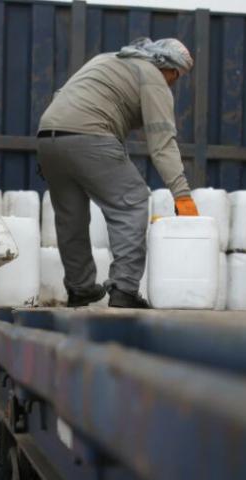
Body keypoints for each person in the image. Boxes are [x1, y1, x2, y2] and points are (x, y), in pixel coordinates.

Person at [37, 37, 198, 309]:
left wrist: (55, 151)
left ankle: (80, 289)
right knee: (132, 201)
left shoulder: (108, 60)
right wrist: (182, 194)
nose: (174, 82)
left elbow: (61, 96)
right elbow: (162, 142)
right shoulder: (152, 76)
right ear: (167, 66)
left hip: (48, 137)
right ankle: (124, 288)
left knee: (71, 218)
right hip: (89, 135)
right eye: (177, 75)